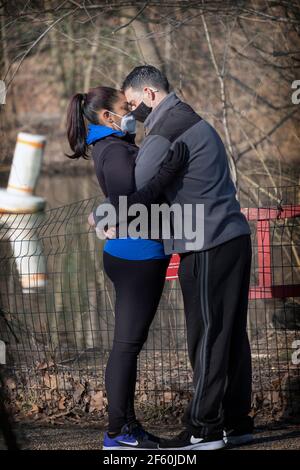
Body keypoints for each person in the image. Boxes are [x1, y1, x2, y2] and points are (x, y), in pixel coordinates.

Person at [99, 65, 253, 450]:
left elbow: (138, 189)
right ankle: (236, 422)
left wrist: (104, 212)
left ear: (149, 94)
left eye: (133, 104)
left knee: (207, 337)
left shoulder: (166, 132)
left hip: (206, 244)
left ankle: (203, 430)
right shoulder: (192, 119)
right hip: (232, 237)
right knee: (229, 334)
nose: (132, 114)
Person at [66, 86, 189, 450]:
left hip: (132, 253)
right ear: (107, 116)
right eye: (125, 108)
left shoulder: (109, 146)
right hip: (137, 257)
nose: (131, 112)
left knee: (127, 345)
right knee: (126, 346)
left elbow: (118, 202)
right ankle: (118, 432)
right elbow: (130, 204)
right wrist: (170, 168)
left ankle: (125, 428)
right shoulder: (116, 150)